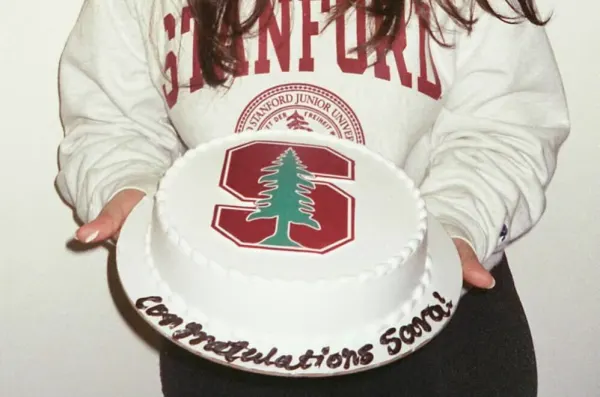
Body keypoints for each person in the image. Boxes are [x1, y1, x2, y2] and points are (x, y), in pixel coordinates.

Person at [55, 0, 570, 395]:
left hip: (437, 328)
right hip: (225, 327)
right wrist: (129, 190)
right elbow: (113, 120)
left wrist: (456, 225)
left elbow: (504, 127)